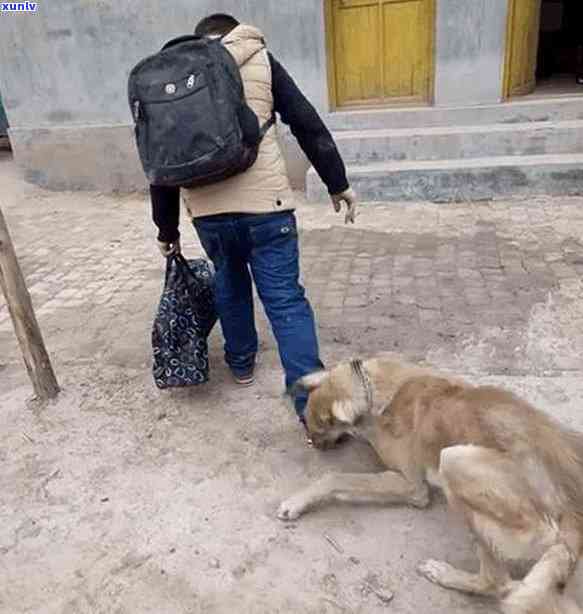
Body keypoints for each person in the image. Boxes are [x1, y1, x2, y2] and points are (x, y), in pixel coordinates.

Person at [150, 13, 357, 434]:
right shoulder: (260, 59)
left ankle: (241, 363)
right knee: (285, 300)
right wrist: (338, 183)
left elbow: (162, 162)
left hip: (208, 214)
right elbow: (306, 123)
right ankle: (311, 407)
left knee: (229, 282)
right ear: (234, 32)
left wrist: (166, 231)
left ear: (199, 41)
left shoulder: (176, 76)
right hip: (268, 207)